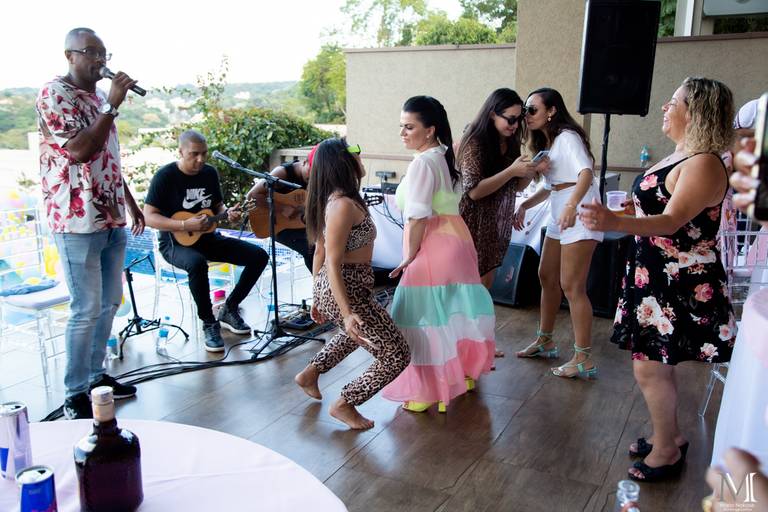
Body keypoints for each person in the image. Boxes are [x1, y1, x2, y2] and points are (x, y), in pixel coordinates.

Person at [580, 77, 737, 482]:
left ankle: (667, 451)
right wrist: (627, 212)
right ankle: (668, 436)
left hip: (677, 282)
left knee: (650, 369)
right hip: (654, 276)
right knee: (655, 365)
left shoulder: (704, 162)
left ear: (695, 112)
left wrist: (616, 221)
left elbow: (670, 222)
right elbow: (658, 207)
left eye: (673, 102)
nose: (665, 108)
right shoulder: (681, 155)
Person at [36, 27, 145, 419]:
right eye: (91, 52)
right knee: (85, 309)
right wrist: (112, 107)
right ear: (70, 55)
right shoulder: (54, 94)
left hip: (111, 214)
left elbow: (107, 156)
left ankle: (97, 377)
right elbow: (81, 150)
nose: (100, 60)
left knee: (109, 303)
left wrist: (130, 202)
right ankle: (75, 392)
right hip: (76, 218)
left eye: (103, 53)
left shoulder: (98, 98)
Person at [380, 96, 496, 412]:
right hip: (457, 241)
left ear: (429, 130)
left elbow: (417, 215)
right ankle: (463, 375)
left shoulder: (422, 163)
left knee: (418, 317)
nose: (402, 133)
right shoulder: (444, 157)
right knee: (454, 311)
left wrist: (409, 256)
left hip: (432, 245)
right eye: (401, 126)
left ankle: (429, 390)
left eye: (409, 127)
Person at [293, 138, 410, 430]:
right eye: (354, 152)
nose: (360, 156)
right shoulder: (342, 205)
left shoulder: (342, 199)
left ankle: (310, 374)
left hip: (345, 286)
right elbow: (330, 260)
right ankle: (345, 403)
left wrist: (318, 295)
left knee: (353, 335)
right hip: (346, 287)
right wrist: (345, 312)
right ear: (341, 162)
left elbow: (319, 251)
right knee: (396, 354)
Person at [143, 130, 269, 352]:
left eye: (204, 153)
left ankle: (229, 308)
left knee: (258, 256)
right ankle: (209, 322)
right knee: (196, 263)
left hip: (208, 239)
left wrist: (228, 213)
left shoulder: (209, 173)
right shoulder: (165, 176)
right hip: (174, 243)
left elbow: (217, 207)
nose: (200, 159)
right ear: (180, 152)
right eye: (194, 154)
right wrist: (184, 225)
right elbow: (148, 217)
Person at [513, 87, 603, 380]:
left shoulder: (567, 137)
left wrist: (572, 206)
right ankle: (546, 340)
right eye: (526, 110)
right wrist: (525, 204)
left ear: (551, 111)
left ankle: (583, 358)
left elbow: (585, 173)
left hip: (579, 211)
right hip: (560, 211)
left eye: (532, 109)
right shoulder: (550, 143)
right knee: (546, 275)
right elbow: (552, 186)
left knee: (572, 286)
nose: (527, 115)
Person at [458, 88, 547, 289]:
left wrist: (530, 171)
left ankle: (483, 312)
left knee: (486, 285)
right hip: (471, 222)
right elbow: (473, 192)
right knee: (470, 286)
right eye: (511, 119)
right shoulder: (474, 141)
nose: (515, 125)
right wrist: (512, 171)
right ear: (492, 114)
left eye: (518, 119)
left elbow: (514, 187)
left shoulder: (508, 141)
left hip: (494, 223)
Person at [246, 149, 316, 271]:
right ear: (305, 162)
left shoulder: (316, 178)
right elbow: (252, 196)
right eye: (311, 171)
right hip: (278, 225)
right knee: (311, 248)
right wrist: (282, 208)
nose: (313, 177)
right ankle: (321, 281)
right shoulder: (283, 172)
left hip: (302, 224)